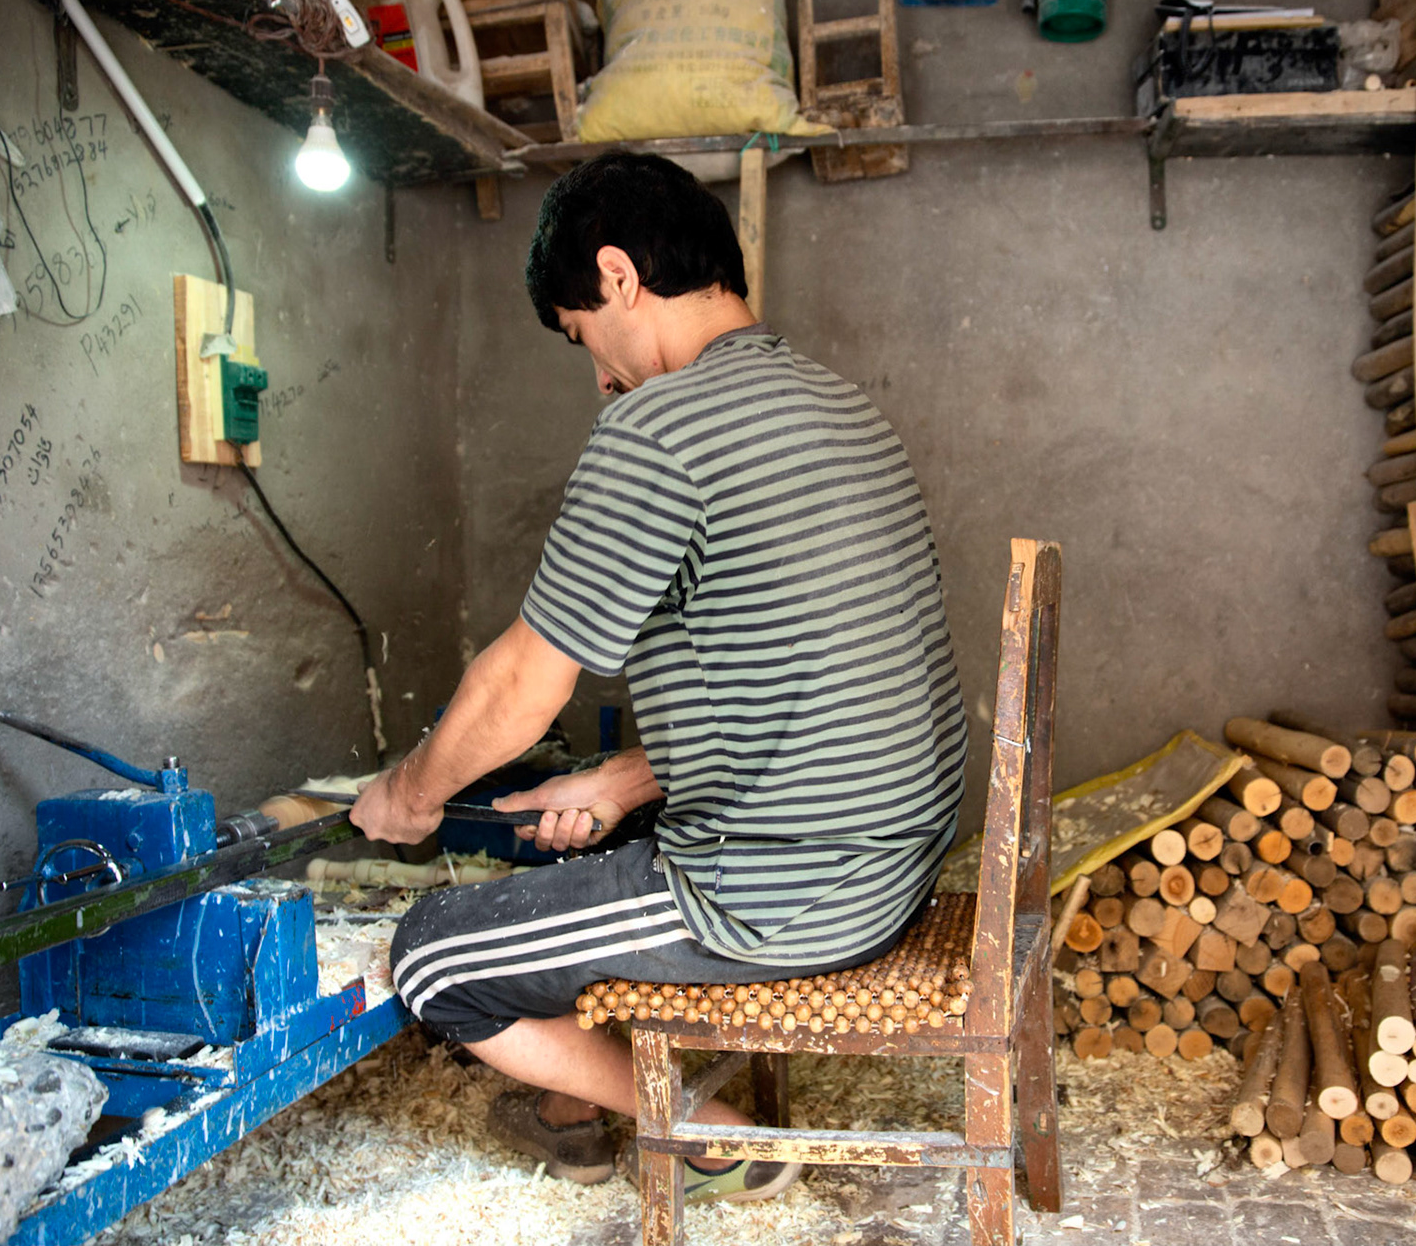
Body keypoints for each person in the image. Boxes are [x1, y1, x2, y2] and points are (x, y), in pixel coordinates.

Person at [351, 152, 964, 1204]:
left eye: (582, 335)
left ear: (620, 277)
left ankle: (713, 1129)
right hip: (893, 856)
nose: (597, 373)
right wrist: (622, 783)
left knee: (431, 957)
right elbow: (806, 679)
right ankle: (571, 1103)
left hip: (782, 897)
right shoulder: (840, 406)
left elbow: (521, 683)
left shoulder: (659, 428)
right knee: (595, 829)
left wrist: (408, 797)